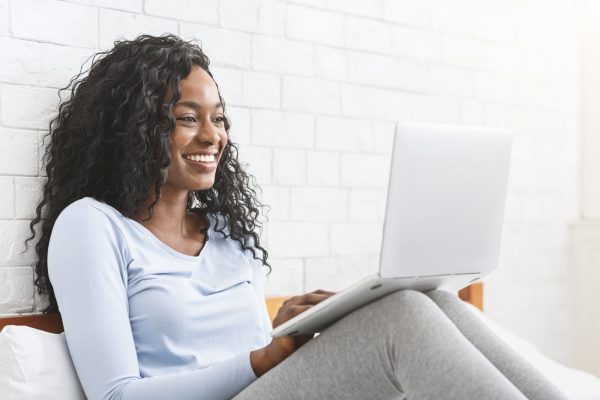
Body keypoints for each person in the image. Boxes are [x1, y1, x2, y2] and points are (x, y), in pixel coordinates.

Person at [25, 34, 568, 400]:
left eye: (219, 119)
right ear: (135, 128)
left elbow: (243, 349)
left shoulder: (227, 234)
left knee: (429, 299)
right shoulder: (92, 226)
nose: (212, 136)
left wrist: (286, 330)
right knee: (399, 318)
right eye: (187, 118)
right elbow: (115, 394)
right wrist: (262, 359)